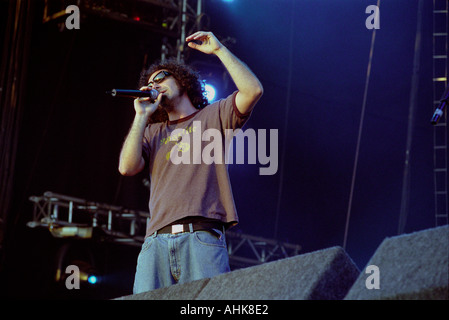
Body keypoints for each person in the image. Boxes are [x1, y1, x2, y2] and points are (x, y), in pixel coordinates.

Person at [118, 31, 263, 294]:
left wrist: (219, 50)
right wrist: (141, 116)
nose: (155, 84)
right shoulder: (153, 132)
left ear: (182, 80)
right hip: (156, 242)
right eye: (150, 83)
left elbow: (253, 90)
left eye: (161, 77)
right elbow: (127, 167)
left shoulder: (215, 115)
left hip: (201, 237)